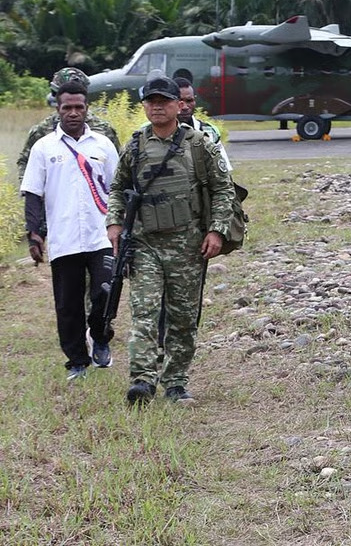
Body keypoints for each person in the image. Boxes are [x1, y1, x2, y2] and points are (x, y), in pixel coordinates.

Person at [106, 74, 235, 405]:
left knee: (182, 318)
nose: (157, 107)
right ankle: (142, 380)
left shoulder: (199, 144)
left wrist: (217, 230)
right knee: (145, 313)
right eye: (151, 101)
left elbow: (223, 189)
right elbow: (118, 188)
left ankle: (175, 382)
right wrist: (114, 223)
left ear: (179, 105)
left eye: (164, 101)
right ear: (145, 106)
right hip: (145, 244)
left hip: (187, 245)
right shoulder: (135, 146)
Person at [20, 80, 120, 381]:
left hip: (102, 235)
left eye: (79, 107)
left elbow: (118, 188)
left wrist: (123, 228)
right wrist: (34, 234)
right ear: (58, 109)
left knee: (105, 293)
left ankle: (100, 335)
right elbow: (33, 193)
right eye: (67, 107)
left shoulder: (103, 145)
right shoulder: (43, 147)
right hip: (64, 239)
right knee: (68, 304)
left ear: (87, 108)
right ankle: (77, 361)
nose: (73, 113)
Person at [17, 67, 120, 181]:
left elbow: (118, 169)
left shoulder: (104, 131)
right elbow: (25, 162)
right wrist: (31, 187)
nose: (73, 113)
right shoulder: (42, 130)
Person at [174, 77, 232, 171]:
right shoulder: (154, 132)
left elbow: (224, 170)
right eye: (180, 102)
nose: (185, 107)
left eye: (189, 101)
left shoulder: (209, 131)